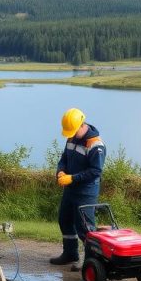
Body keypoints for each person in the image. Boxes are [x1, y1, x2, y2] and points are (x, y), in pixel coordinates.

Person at [49, 108, 106, 267]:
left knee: (85, 228)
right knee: (65, 220)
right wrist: (60, 171)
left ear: (82, 125)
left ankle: (90, 261)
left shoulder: (96, 145)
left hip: (86, 192)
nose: (71, 135)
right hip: (70, 189)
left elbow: (95, 171)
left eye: (73, 131)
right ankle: (70, 254)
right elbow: (64, 159)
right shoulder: (71, 137)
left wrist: (72, 178)